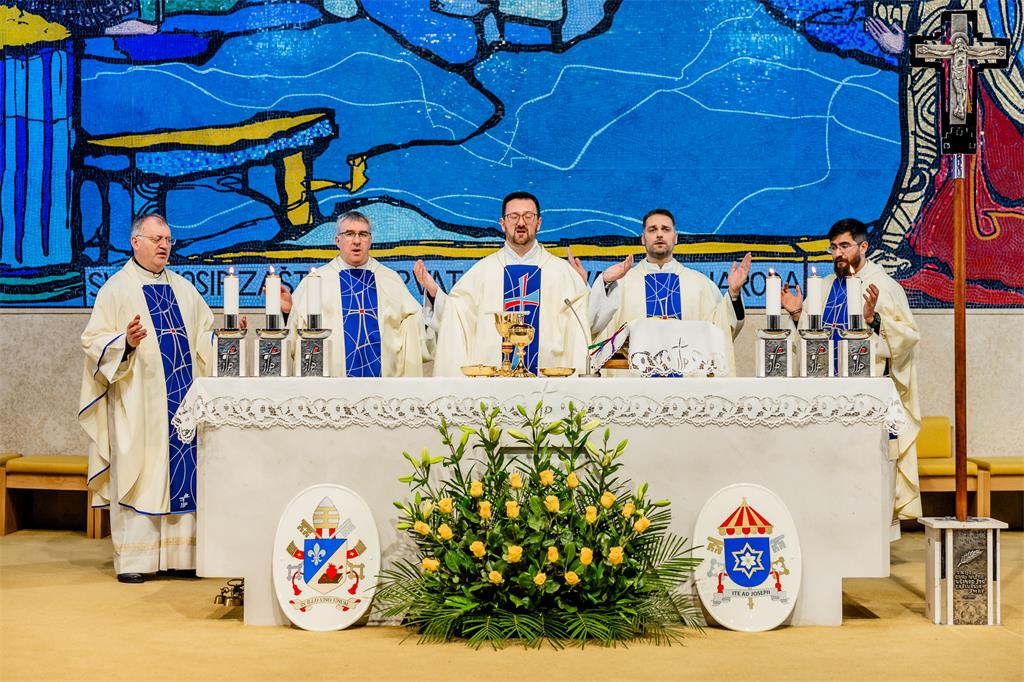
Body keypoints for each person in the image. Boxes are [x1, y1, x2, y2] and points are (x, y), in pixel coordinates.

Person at [79, 214, 214, 583]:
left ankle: (182, 557)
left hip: (182, 405)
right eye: (156, 239)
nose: (163, 246)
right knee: (142, 475)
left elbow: (205, 337)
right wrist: (125, 342)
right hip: (138, 406)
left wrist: (226, 336)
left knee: (182, 473)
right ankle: (136, 560)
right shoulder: (116, 290)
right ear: (135, 242)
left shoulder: (185, 290)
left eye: (168, 240)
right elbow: (92, 342)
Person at [781, 218, 922, 531]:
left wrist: (874, 321)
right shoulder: (824, 288)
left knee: (866, 472)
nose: (838, 253)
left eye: (844, 246)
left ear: (863, 246)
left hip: (867, 399)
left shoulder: (884, 287)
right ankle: (826, 530)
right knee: (825, 468)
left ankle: (869, 537)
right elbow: (809, 341)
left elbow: (908, 337)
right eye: (833, 247)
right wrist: (797, 313)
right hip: (824, 396)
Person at [420, 191, 590, 376]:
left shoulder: (561, 273)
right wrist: (435, 294)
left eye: (528, 216)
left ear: (539, 223)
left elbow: (586, 323)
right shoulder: (482, 272)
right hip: (491, 385)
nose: (521, 223)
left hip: (549, 383)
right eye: (513, 216)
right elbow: (457, 317)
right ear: (502, 223)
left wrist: (587, 286)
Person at [572, 208, 751, 375]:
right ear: (643, 238)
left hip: (687, 385)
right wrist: (590, 286)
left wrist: (734, 294)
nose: (659, 234)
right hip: (633, 385)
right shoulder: (622, 284)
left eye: (665, 229)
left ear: (675, 237)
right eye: (652, 230)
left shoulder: (699, 284)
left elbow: (720, 328)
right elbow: (595, 325)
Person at [286, 211, 424, 377]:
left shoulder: (390, 279)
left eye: (363, 234)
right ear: (338, 240)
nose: (357, 241)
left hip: (383, 385)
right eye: (349, 234)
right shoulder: (315, 281)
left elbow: (420, 330)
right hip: (330, 385)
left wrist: (432, 295)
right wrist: (286, 312)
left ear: (370, 240)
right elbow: (292, 335)